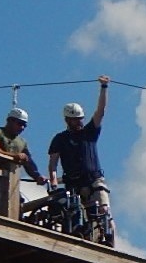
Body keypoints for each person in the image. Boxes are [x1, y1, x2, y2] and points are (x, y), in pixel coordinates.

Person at [47, 75, 115, 246]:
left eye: (80, 119)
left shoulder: (89, 133)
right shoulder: (60, 139)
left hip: (94, 180)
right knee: (76, 216)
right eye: (76, 120)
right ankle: (80, 240)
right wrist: (54, 184)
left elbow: (101, 111)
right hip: (74, 185)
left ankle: (110, 241)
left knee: (104, 211)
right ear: (67, 120)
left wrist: (104, 88)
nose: (79, 122)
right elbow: (53, 164)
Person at [0, 108, 47, 185]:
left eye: (24, 125)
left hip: (10, 180)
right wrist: (14, 156)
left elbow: (28, 161)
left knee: (18, 197)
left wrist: (37, 176)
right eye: (19, 124)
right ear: (9, 120)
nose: (22, 128)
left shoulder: (22, 142)